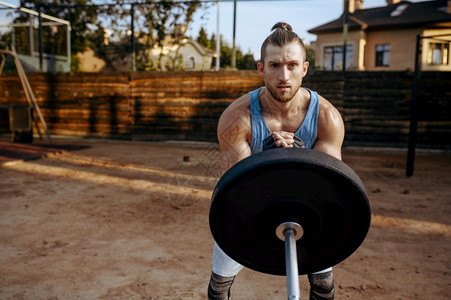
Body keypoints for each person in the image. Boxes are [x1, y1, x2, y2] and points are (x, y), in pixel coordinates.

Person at [208, 22, 344, 300]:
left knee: (323, 283)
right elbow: (236, 192)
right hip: (247, 208)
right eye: (275, 66)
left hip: (307, 206)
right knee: (219, 285)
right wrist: (269, 160)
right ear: (261, 69)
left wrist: (301, 155)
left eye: (292, 65)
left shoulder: (326, 117)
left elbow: (329, 190)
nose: (284, 76)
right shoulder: (237, 117)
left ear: (305, 68)